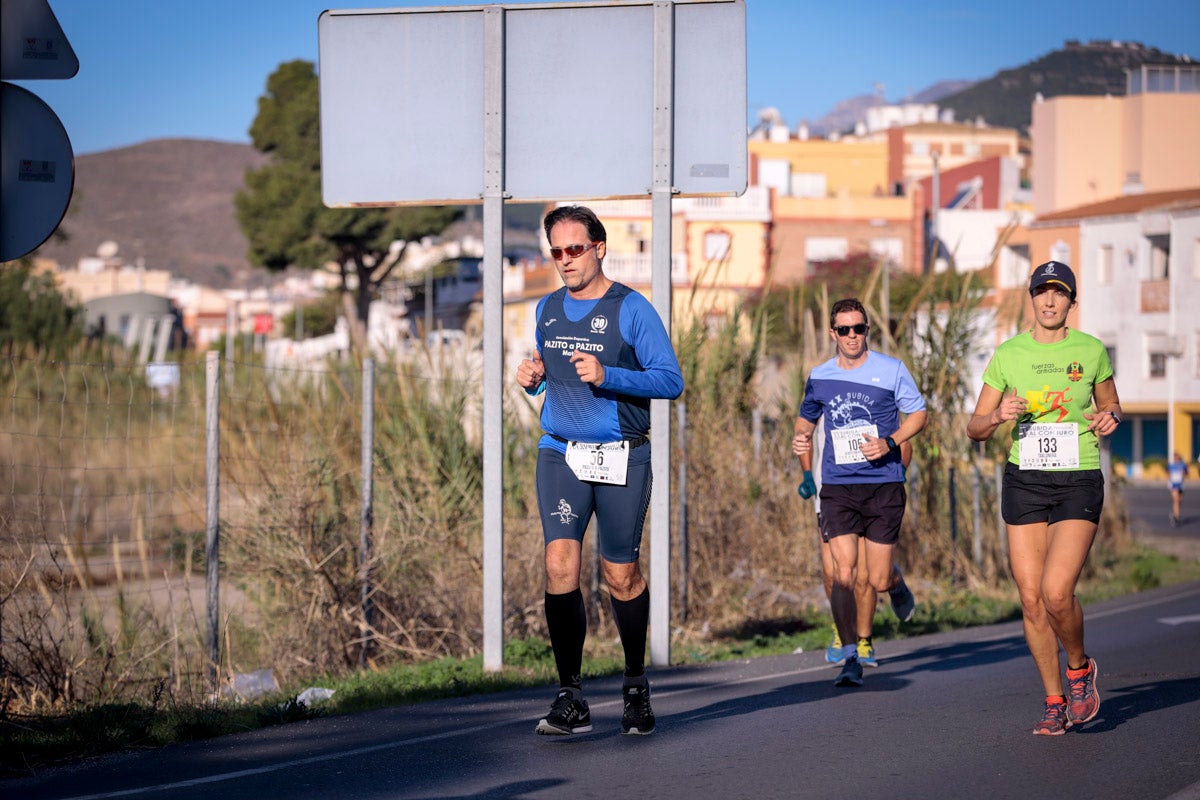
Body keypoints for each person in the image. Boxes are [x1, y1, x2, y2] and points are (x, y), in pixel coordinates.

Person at [515, 205, 684, 736]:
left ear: (599, 248)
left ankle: (634, 684)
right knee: (559, 565)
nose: (565, 260)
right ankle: (571, 697)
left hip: (621, 455)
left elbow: (670, 380)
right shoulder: (546, 308)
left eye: (575, 248)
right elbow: (556, 376)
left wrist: (610, 374)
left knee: (620, 575)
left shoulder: (631, 308)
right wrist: (536, 377)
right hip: (560, 452)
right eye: (556, 251)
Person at [966, 260, 1122, 736]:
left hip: (1077, 478)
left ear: (1072, 301)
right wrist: (998, 416)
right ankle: (1055, 702)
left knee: (1057, 593)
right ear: (1031, 298)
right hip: (1026, 479)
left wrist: (1111, 416)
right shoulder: (1009, 354)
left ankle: (1078, 669)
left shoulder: (1090, 350)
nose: (1049, 301)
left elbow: (1111, 403)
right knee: (1032, 600)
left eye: (1059, 293)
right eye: (1041, 292)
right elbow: (974, 427)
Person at [792, 298, 927, 687]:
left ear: (868, 330)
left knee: (878, 579)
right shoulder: (820, 376)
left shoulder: (891, 369)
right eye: (844, 329)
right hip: (838, 487)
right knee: (844, 573)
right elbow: (805, 422)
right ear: (833, 333)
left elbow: (919, 415)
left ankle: (896, 584)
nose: (852, 336)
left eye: (859, 328)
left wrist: (890, 442)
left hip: (883, 485)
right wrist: (801, 442)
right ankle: (851, 655)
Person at [799, 425, 916, 668]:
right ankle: (843, 631)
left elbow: (905, 440)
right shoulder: (821, 400)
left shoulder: (877, 402)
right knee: (834, 573)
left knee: (865, 576)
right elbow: (803, 433)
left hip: (870, 490)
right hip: (831, 491)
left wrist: (899, 471)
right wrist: (807, 473)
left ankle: (864, 638)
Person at [1167, 452, 1186, 527]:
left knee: (1179, 501)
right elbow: (1168, 473)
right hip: (1173, 485)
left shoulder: (1182, 465)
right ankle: (1176, 518)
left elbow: (1186, 473)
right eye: (1174, 457)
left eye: (1177, 457)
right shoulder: (1170, 465)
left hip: (1181, 485)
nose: (1175, 459)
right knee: (1176, 500)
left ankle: (1174, 513)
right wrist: (1170, 479)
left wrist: (1183, 473)